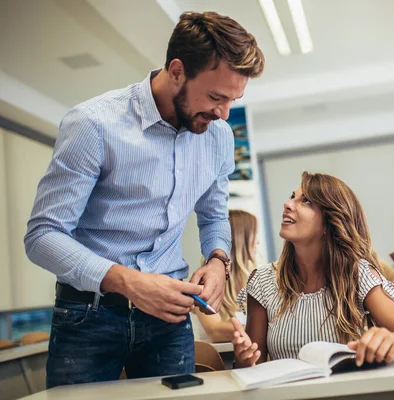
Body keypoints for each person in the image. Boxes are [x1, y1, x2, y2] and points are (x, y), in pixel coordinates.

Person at [24, 11, 264, 387]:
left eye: (233, 99)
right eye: (216, 96)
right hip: (88, 316)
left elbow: (215, 217)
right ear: (177, 71)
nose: (223, 113)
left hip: (170, 321)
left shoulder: (219, 137)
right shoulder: (94, 124)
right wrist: (130, 282)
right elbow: (42, 236)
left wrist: (218, 260)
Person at [231, 172, 394, 368]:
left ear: (329, 223)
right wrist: (243, 358)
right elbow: (252, 365)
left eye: (306, 201)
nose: (288, 203)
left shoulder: (357, 275)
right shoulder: (262, 281)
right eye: (293, 196)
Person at [192, 209, 258, 342]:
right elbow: (215, 331)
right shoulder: (204, 282)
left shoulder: (253, 284)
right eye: (254, 236)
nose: (258, 242)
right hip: (221, 362)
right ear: (241, 240)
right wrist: (263, 329)